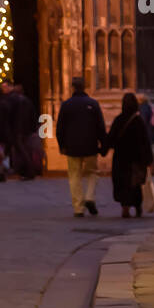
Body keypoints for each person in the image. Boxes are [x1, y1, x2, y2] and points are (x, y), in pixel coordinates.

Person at [56, 76, 106, 216]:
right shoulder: (93, 103)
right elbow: (100, 126)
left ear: (72, 87)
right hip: (90, 145)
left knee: (74, 176)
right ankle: (90, 196)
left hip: (72, 146)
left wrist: (62, 145)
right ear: (85, 87)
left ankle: (78, 207)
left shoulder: (66, 105)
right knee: (92, 173)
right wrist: (103, 144)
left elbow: (60, 127)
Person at [105, 92, 154, 218]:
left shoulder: (118, 120)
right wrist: (149, 160)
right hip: (136, 160)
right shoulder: (138, 121)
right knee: (135, 184)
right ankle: (138, 207)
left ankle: (125, 207)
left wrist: (103, 149)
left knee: (122, 183)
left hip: (121, 159)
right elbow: (145, 142)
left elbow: (111, 139)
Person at [10, 83, 39, 180]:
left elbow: (18, 117)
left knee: (22, 150)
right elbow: (32, 116)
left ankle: (28, 171)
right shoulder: (27, 101)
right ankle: (25, 170)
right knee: (24, 150)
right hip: (25, 130)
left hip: (19, 130)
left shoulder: (18, 102)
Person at [0, 80, 18, 181]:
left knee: (1, 153)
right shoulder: (8, 102)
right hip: (8, 131)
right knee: (3, 153)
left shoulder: (2, 104)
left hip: (3, 132)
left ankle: (1, 173)